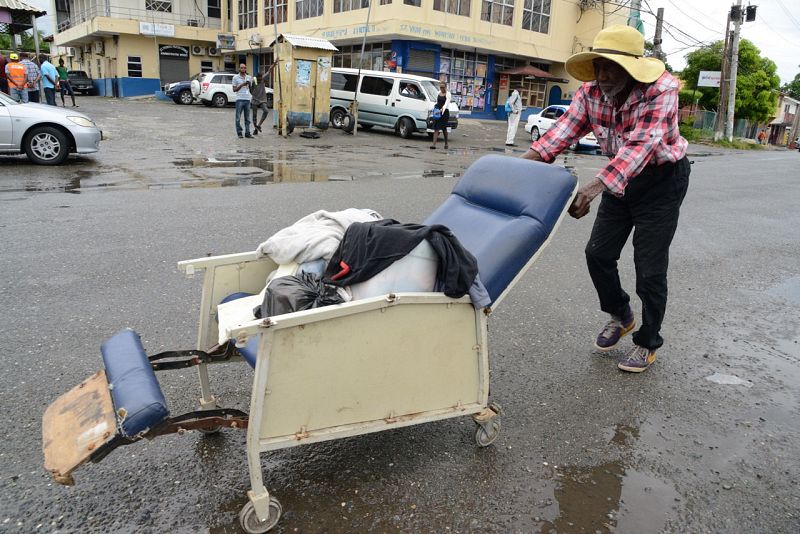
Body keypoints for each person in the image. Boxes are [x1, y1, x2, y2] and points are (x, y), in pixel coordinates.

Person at [522, 24, 690, 373]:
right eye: (599, 66)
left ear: (633, 68)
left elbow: (640, 146)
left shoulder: (661, 90)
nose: (605, 75)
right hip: (618, 176)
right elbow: (561, 133)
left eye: (614, 67)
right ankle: (621, 314)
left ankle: (647, 340)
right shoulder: (591, 92)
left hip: (661, 181)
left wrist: (592, 188)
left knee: (650, 268)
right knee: (597, 254)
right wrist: (513, 169)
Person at [251, 63, 275, 135]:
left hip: (262, 100)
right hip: (255, 100)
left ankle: (259, 125)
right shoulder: (253, 81)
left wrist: (274, 64)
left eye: (261, 78)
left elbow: (269, 70)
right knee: (254, 116)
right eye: (259, 78)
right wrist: (253, 95)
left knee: (266, 111)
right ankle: (256, 128)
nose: (260, 80)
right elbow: (250, 90)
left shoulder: (262, 79)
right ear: (256, 78)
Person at [232, 63, 253, 138]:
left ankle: (247, 133)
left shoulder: (249, 77)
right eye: (242, 68)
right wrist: (241, 85)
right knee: (238, 118)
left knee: (247, 118)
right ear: (239, 69)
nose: (243, 69)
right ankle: (239, 133)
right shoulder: (235, 77)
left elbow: (251, 90)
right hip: (239, 99)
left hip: (247, 99)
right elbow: (234, 89)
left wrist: (249, 85)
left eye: (244, 68)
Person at [430, 83, 450, 150]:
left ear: (446, 87)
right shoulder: (438, 93)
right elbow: (436, 102)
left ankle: (446, 143)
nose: (442, 88)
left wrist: (441, 110)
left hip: (444, 113)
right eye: (440, 87)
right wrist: (434, 109)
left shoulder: (448, 94)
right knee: (436, 128)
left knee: (444, 129)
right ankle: (433, 145)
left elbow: (446, 104)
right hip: (437, 112)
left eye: (443, 87)